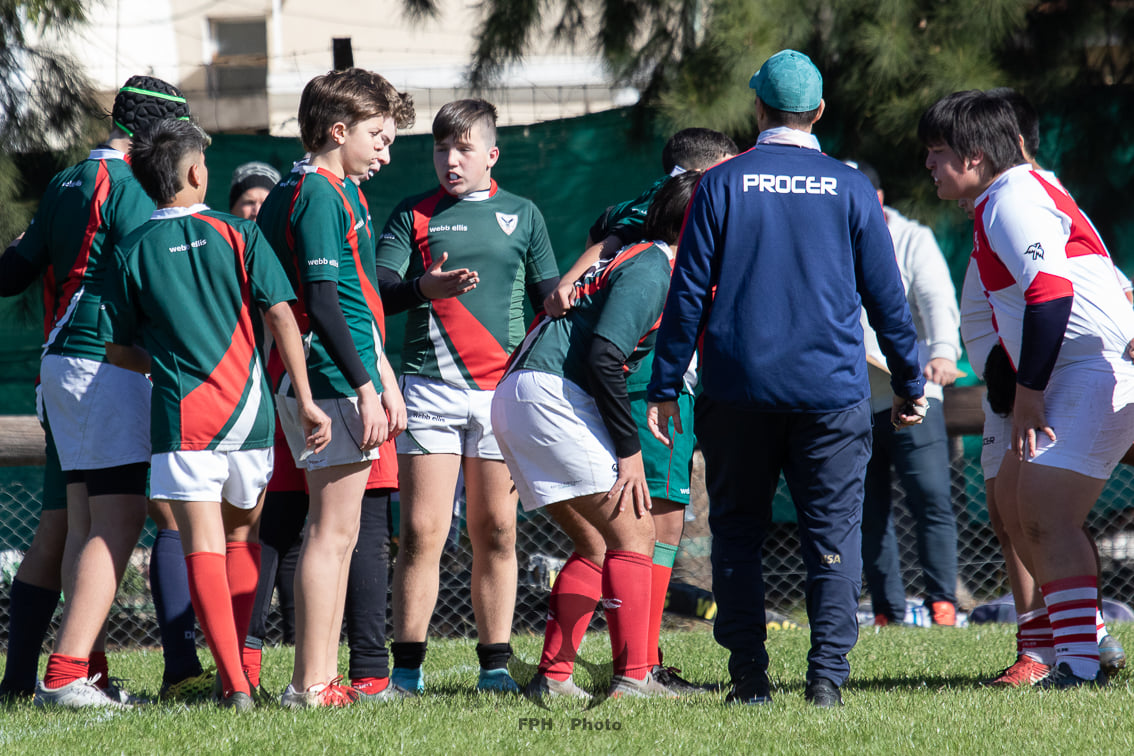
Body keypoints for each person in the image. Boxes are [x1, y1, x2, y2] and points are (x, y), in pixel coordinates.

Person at [646, 49, 926, 708]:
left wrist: (664, 385)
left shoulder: (721, 183)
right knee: (832, 534)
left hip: (736, 389)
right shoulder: (853, 186)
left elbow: (687, 294)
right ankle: (826, 680)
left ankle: (749, 681)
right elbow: (887, 298)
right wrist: (910, 381)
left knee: (738, 531)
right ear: (819, 111)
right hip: (831, 390)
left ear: (758, 109)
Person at [100, 117, 331, 710]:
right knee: (241, 538)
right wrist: (303, 400)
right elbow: (282, 315)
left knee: (198, 542)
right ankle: (248, 668)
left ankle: (233, 684)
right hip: (250, 415)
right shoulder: (239, 234)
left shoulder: (130, 248)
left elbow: (115, 347)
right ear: (197, 172)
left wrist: (162, 367)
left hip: (183, 422)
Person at [920, 90, 1134, 687]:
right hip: (1077, 371)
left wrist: (1030, 392)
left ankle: (1081, 664)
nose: (930, 165)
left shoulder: (1012, 199)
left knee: (1041, 512)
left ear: (977, 154)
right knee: (1019, 505)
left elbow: (1050, 293)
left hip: (1089, 372)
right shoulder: (1005, 199)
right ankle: (1081, 651)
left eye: (938, 152)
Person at [0, 75, 197, 709]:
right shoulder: (135, 183)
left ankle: (50, 678)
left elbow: (15, 273)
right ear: (153, 132)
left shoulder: (65, 181)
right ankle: (66, 674)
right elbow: (163, 273)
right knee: (119, 519)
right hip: (104, 362)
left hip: (61, 366)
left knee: (72, 522)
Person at [542, 128, 737, 694]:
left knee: (634, 529)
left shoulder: (649, 205)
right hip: (651, 382)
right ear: (703, 171)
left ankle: (619, 665)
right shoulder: (671, 204)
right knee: (652, 522)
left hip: (648, 376)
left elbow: (607, 230)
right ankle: (640, 666)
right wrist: (569, 281)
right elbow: (612, 239)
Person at [375, 98, 560, 694]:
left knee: (497, 532)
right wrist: (424, 287)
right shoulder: (413, 213)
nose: (450, 160)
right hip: (428, 389)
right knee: (424, 533)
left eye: (463, 148)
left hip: (499, 396)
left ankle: (496, 667)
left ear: (491, 154)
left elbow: (549, 302)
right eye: (440, 148)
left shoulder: (524, 213)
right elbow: (379, 291)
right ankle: (406, 671)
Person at [495, 171, 703, 700]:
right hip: (548, 395)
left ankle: (553, 679)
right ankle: (635, 680)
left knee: (594, 541)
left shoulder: (641, 256)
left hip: (524, 393)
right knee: (635, 535)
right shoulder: (654, 265)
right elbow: (605, 357)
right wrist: (629, 455)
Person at [257, 67, 413, 708]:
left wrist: (383, 377)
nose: (385, 150)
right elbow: (321, 304)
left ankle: (318, 680)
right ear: (338, 130)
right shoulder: (315, 193)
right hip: (325, 381)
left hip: (341, 377)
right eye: (377, 136)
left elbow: (358, 299)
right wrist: (363, 385)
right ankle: (309, 682)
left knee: (339, 531)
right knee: (330, 531)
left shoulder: (336, 189)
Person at [847, 159, 962, 627]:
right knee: (867, 508)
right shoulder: (827, 233)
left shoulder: (912, 237)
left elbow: (935, 298)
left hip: (912, 393)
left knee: (929, 495)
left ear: (874, 198)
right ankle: (887, 612)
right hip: (852, 397)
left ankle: (943, 604)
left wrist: (943, 353)